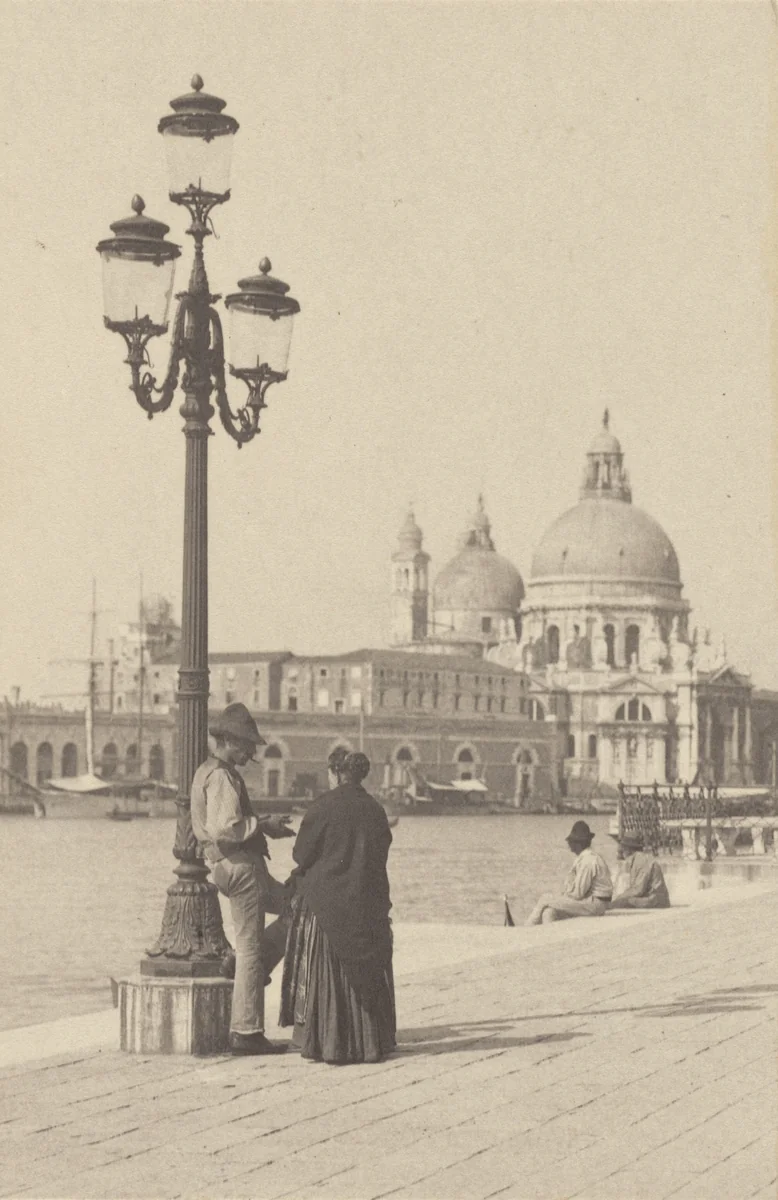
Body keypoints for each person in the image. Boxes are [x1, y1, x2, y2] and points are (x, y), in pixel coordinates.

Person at [190, 702, 294, 1056]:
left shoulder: (206, 771)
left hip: (235, 868)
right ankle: (246, 1032)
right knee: (249, 947)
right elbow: (226, 828)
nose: (251, 753)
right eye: (248, 745)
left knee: (297, 909)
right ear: (230, 741)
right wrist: (263, 825)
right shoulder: (221, 776)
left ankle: (246, 965)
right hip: (241, 868)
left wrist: (263, 825)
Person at [279, 750, 396, 1064]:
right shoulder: (375, 810)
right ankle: (371, 1041)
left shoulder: (322, 807)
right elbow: (379, 856)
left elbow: (301, 855)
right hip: (367, 905)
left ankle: (328, 1040)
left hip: (329, 906)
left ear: (334, 772)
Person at [525, 820, 613, 925]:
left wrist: (561, 898)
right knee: (549, 912)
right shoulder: (585, 858)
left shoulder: (588, 860)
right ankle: (548, 935)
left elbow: (578, 893)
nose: (569, 845)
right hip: (592, 903)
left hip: (595, 904)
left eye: (571, 842)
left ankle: (526, 929)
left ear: (578, 843)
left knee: (545, 899)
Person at [610, 833, 671, 909]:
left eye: (621, 848)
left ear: (628, 849)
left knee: (621, 903)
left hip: (655, 900)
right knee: (621, 901)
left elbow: (638, 890)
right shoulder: (638, 859)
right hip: (652, 898)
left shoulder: (641, 860)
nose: (619, 850)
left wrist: (619, 898)